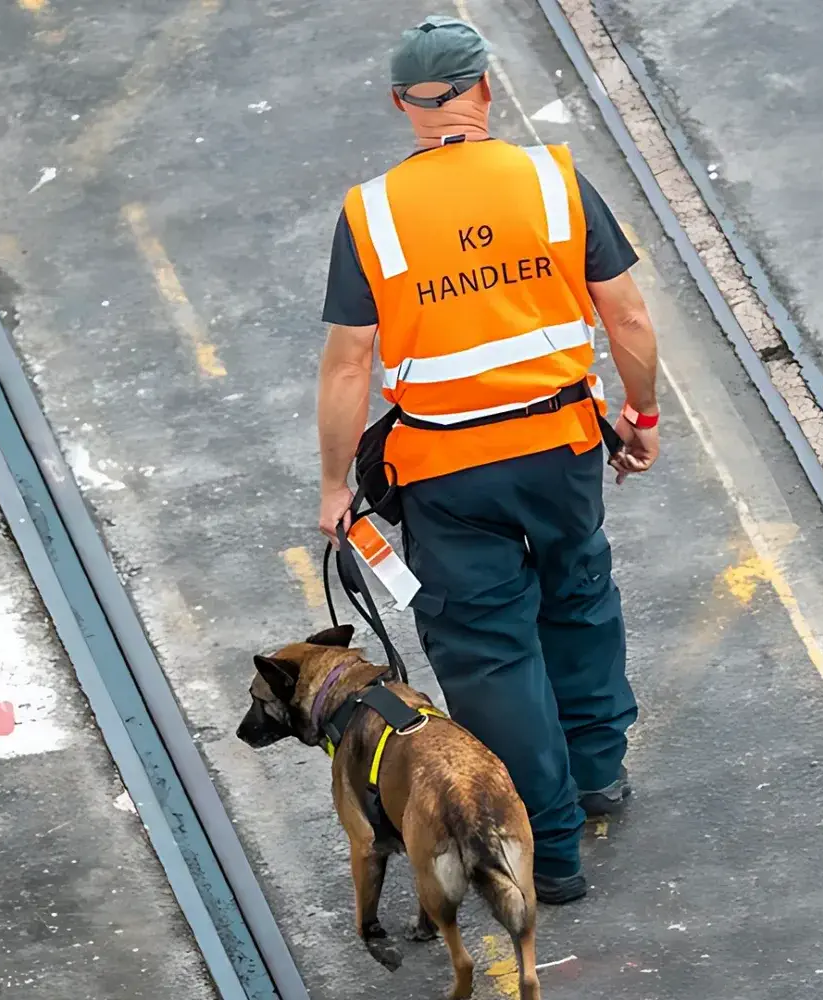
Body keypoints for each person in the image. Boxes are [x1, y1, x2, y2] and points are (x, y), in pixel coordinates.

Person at [316, 14, 661, 904]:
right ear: (485, 90)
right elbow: (625, 316)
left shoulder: (371, 215)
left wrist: (333, 486)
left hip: (446, 474)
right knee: (578, 592)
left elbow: (351, 360)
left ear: (402, 104)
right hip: (561, 449)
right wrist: (642, 413)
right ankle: (598, 773)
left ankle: (547, 852)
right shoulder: (553, 179)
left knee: (488, 650)